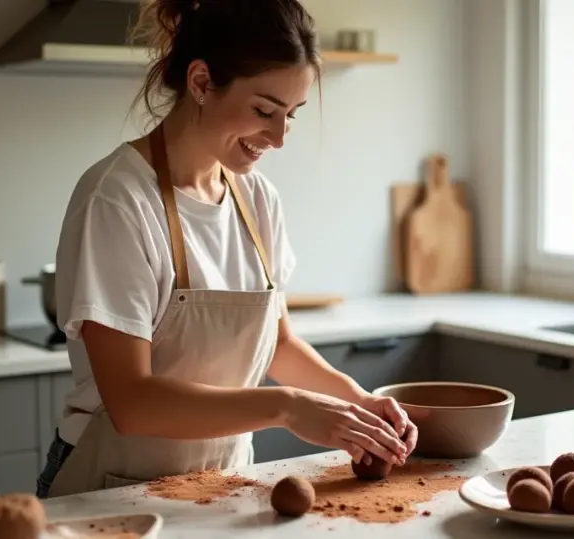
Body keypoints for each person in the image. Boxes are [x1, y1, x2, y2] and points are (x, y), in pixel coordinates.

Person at [36, 0, 417, 499]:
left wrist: (358, 403)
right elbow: (132, 404)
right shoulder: (117, 199)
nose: (279, 138)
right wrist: (287, 407)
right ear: (199, 82)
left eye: (292, 115)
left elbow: (277, 344)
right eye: (264, 110)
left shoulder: (257, 199)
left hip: (220, 486)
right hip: (109, 490)